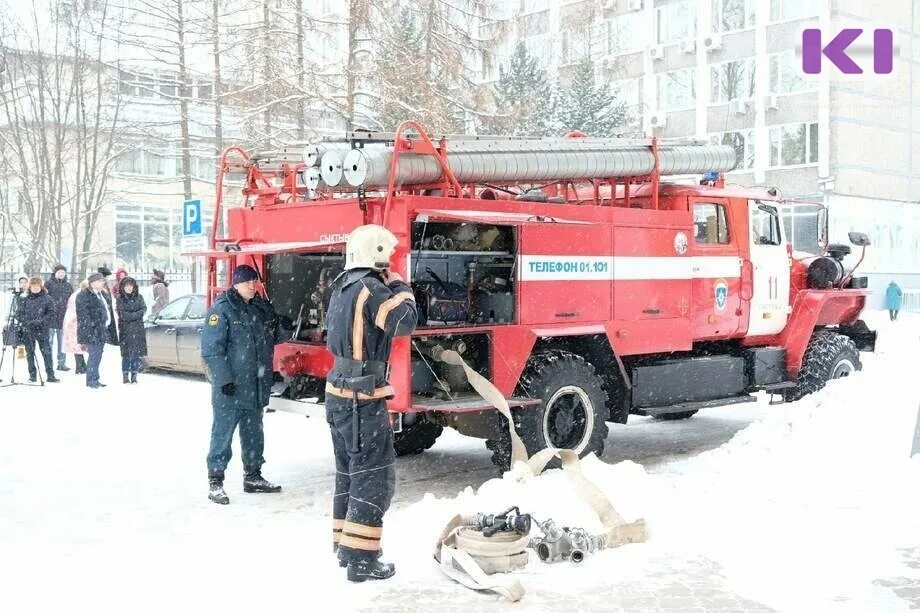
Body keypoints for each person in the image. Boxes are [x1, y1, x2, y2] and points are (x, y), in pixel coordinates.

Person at [324, 224, 417, 583]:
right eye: (388, 254)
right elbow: (405, 322)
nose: (390, 260)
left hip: (340, 394)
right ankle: (362, 560)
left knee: (349, 474)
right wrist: (400, 286)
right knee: (374, 478)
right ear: (375, 252)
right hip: (360, 399)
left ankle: (347, 548)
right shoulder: (371, 288)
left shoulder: (342, 286)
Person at [202, 264, 282, 505]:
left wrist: (273, 314)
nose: (252, 286)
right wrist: (224, 379)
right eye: (247, 282)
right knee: (223, 434)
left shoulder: (257, 307)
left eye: (254, 282)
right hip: (232, 388)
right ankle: (216, 481)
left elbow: (274, 336)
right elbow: (211, 350)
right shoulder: (222, 310)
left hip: (255, 386)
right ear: (235, 283)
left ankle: (253, 476)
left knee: (254, 433)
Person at [18, 277, 59, 383]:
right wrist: (27, 322)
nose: (35, 288)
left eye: (37, 286)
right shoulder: (25, 299)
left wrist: (41, 321)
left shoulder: (47, 298)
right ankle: (32, 375)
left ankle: (50, 375)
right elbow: (19, 314)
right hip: (28, 330)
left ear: (41, 286)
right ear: (30, 287)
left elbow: (52, 313)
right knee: (30, 353)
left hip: (42, 329)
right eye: (33, 286)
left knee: (47, 353)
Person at [77, 273, 112, 388]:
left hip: (101, 330)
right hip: (92, 331)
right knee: (94, 356)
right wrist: (91, 328)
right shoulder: (84, 295)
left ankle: (95, 378)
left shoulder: (100, 294)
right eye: (101, 281)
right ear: (93, 283)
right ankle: (91, 380)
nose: (103, 283)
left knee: (98, 356)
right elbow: (83, 316)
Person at [116, 276, 147, 383]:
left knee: (136, 354)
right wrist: (136, 315)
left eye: (131, 286)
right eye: (127, 286)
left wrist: (133, 315)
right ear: (123, 287)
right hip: (125, 330)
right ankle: (125, 375)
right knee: (126, 354)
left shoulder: (140, 297)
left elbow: (143, 309)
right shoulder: (120, 299)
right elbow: (123, 315)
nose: (129, 288)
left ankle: (134, 375)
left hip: (138, 330)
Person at [45, 264, 73, 371]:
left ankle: (61, 363)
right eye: (59, 272)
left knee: (62, 343)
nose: (61, 274)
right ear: (55, 273)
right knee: (49, 342)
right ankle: (49, 363)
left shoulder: (68, 285)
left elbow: (71, 301)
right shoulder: (48, 284)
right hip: (50, 317)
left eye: (63, 272)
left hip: (63, 318)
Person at [63, 281, 89, 374]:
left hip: (74, 321)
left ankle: (81, 365)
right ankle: (80, 366)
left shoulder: (77, 294)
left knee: (77, 345)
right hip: (75, 322)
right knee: (77, 345)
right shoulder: (78, 295)